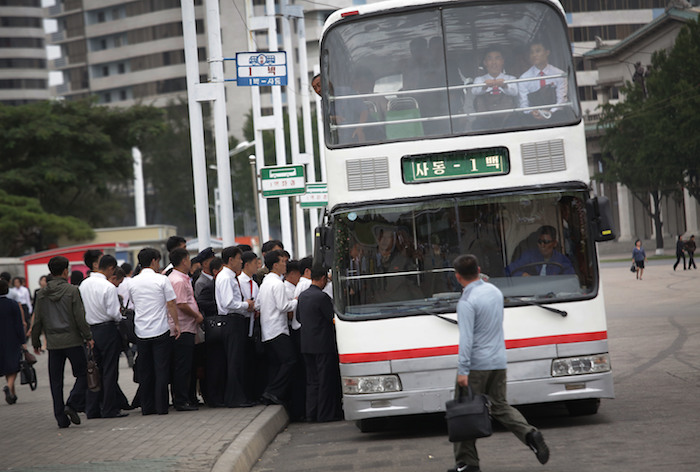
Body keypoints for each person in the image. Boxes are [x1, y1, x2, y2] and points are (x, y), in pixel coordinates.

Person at [449, 254, 549, 472]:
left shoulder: (466, 302)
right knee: (500, 406)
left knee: (464, 411)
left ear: (457, 277)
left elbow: (466, 339)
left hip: (476, 365)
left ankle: (467, 463)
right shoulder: (494, 291)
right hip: (498, 360)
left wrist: (463, 370)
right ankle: (529, 433)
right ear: (479, 269)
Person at [31, 256, 94, 428]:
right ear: (66, 271)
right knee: (83, 374)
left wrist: (35, 341)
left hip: (53, 343)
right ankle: (72, 404)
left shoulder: (41, 294)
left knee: (55, 381)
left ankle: (60, 418)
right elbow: (79, 317)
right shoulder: (72, 290)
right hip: (73, 340)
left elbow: (37, 320)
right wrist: (88, 336)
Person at [128, 248, 180, 415]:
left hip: (141, 332)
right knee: (161, 369)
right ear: (153, 261)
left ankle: (147, 406)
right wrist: (177, 324)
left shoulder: (132, 282)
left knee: (145, 370)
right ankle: (161, 406)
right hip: (160, 330)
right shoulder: (161, 280)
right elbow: (171, 303)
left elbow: (132, 304)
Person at [78, 254, 128, 419]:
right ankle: (109, 409)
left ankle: (92, 409)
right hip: (107, 330)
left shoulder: (83, 284)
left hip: (90, 331)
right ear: (111, 268)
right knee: (110, 371)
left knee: (93, 370)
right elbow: (114, 313)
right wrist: (121, 317)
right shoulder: (108, 287)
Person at [297, 266, 342, 422]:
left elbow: (298, 318)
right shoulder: (322, 297)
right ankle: (325, 414)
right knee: (325, 381)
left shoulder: (302, 296)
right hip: (323, 345)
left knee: (312, 381)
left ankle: (311, 413)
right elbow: (332, 318)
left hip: (307, 344)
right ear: (323, 278)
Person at [215, 246, 256, 408]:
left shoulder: (231, 276)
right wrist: (246, 305)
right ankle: (235, 398)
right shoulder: (226, 277)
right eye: (239, 259)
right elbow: (228, 303)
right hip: (231, 321)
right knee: (234, 361)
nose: (241, 262)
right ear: (230, 260)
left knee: (237, 360)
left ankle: (239, 395)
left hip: (236, 321)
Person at [256, 250, 298, 406]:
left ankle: (271, 393)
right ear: (275, 265)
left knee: (276, 364)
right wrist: (296, 301)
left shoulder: (265, 282)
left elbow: (258, 305)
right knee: (290, 361)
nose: (285, 264)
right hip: (278, 329)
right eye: (282, 262)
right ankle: (273, 391)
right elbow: (283, 306)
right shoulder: (277, 283)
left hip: (267, 329)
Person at [167, 248, 204, 412]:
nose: (190, 263)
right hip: (182, 327)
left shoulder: (181, 278)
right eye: (189, 259)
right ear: (183, 261)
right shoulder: (178, 280)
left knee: (186, 365)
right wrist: (196, 316)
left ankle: (185, 397)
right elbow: (181, 304)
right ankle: (181, 400)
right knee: (183, 366)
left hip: (186, 327)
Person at [518, 41, 567, 122]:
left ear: (547, 52)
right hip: (533, 119)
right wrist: (532, 112)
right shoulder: (524, 78)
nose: (534, 55)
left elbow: (561, 100)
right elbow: (523, 104)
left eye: (538, 51)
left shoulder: (559, 74)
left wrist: (550, 112)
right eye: (531, 52)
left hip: (557, 117)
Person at [472, 48, 518, 128]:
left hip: (508, 117)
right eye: (490, 59)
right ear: (485, 63)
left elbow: (515, 92)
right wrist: (484, 86)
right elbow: (474, 91)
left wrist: (505, 86)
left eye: (497, 58)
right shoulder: (479, 79)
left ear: (502, 61)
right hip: (485, 119)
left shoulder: (511, 78)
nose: (494, 62)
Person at [505, 226, 575, 276]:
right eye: (540, 242)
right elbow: (508, 270)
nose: (542, 245)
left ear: (554, 243)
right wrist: (522, 275)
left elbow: (569, 280)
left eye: (546, 242)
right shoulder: (529, 255)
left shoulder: (562, 260)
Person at [1, 279, 26, 405]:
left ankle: (13, 394)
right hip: (12, 339)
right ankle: (9, 386)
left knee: (5, 365)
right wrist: (23, 340)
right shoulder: (12, 304)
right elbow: (19, 324)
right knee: (14, 365)